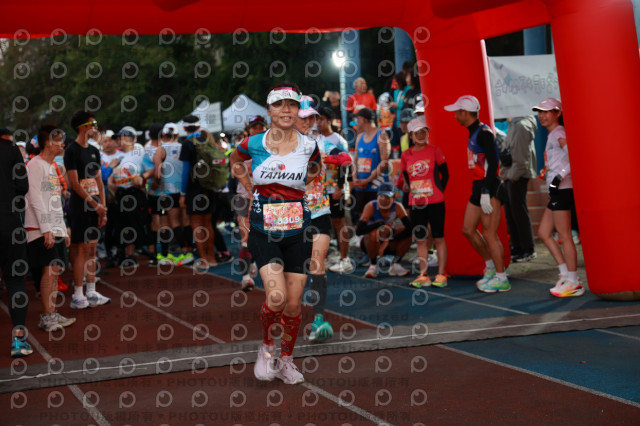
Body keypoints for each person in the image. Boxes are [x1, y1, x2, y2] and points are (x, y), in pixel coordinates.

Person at [229, 82, 321, 385]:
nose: (286, 110)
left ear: (297, 110)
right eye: (279, 105)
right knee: (277, 297)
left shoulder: (309, 145)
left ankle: (287, 361)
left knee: (293, 304)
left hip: (298, 232)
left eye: (291, 105)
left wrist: (301, 188)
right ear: (269, 110)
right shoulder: (253, 143)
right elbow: (234, 160)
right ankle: (267, 347)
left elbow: (316, 169)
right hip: (264, 231)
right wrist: (249, 185)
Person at [297, 99, 352, 343]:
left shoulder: (320, 142)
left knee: (316, 265)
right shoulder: (280, 144)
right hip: (291, 214)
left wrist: (332, 158)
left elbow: (343, 158)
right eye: (304, 117)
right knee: (293, 271)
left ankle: (318, 319)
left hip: (319, 211)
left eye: (312, 117)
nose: (310, 121)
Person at [444, 95, 509, 293]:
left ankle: (501, 278)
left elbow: (494, 163)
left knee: (489, 234)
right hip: (478, 187)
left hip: (489, 187)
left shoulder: (484, 133)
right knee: (468, 229)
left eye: (457, 112)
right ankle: (490, 267)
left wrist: (487, 191)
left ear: (465, 113)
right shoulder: (473, 132)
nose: (455, 116)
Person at [25, 125, 76, 331]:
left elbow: (54, 201)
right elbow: (35, 198)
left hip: (53, 227)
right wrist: (46, 228)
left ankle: (52, 313)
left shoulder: (52, 166)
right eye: (59, 140)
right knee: (48, 271)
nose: (62, 144)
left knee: (54, 271)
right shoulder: (34, 165)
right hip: (39, 228)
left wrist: (62, 228)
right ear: (47, 143)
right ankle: (47, 317)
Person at [533, 98, 583, 297]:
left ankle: (573, 281)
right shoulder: (553, 134)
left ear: (558, 113)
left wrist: (559, 176)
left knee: (564, 235)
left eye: (546, 112)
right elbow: (560, 160)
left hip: (562, 189)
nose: (542, 115)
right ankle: (564, 274)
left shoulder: (560, 132)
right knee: (544, 232)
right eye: (540, 112)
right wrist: (549, 173)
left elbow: (574, 156)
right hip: (556, 190)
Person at [64, 111, 111, 308]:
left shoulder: (94, 151)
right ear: (83, 127)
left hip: (95, 207)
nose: (96, 127)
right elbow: (74, 184)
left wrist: (103, 208)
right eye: (93, 123)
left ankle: (91, 291)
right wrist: (95, 204)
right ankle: (78, 295)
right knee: (81, 250)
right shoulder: (71, 151)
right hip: (80, 207)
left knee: (92, 250)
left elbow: (99, 182)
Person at [399, 118, 449, 288]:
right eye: (417, 132)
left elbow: (446, 175)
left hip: (436, 202)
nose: (421, 135)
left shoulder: (435, 151)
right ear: (410, 136)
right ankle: (423, 274)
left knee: (438, 237)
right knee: (421, 240)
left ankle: (441, 275)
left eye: (423, 131)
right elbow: (406, 177)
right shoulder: (406, 155)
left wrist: (438, 191)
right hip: (416, 203)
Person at [0, 128, 32, 357]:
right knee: (15, 283)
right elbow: (23, 187)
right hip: (9, 223)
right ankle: (19, 341)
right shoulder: (11, 150)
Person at [109, 127, 154, 268]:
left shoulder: (139, 154)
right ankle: (127, 255)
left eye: (122, 138)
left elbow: (152, 169)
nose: (119, 141)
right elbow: (113, 177)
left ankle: (151, 255)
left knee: (139, 223)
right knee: (124, 225)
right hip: (121, 194)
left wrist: (142, 177)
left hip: (135, 193)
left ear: (131, 140)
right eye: (118, 139)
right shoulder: (119, 157)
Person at [152, 123, 194, 266]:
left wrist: (156, 184)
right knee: (186, 222)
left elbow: (157, 174)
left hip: (169, 191)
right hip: (184, 190)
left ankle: (184, 252)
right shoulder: (184, 147)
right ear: (177, 134)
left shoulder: (161, 149)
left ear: (163, 135)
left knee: (173, 222)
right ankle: (190, 250)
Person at [500, 116, 538, 263]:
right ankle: (517, 246)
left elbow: (521, 157)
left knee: (518, 212)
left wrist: (513, 176)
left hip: (516, 175)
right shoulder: (515, 124)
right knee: (511, 213)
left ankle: (527, 248)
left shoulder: (521, 126)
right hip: (511, 174)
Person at [356, 183, 412, 278]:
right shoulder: (371, 206)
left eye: (387, 197)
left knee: (407, 233)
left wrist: (390, 239)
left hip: (389, 242)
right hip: (370, 242)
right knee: (374, 233)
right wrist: (380, 224)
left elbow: (410, 228)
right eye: (381, 196)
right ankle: (373, 265)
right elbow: (359, 231)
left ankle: (396, 264)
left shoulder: (397, 207)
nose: (384, 200)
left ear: (394, 198)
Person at [351, 107, 390, 225]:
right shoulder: (359, 137)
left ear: (363, 119)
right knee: (362, 217)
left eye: (357, 119)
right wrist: (355, 178)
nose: (356, 122)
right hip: (361, 186)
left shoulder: (381, 135)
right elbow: (355, 161)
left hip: (376, 185)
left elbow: (384, 162)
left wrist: (368, 180)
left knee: (377, 217)